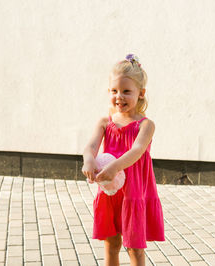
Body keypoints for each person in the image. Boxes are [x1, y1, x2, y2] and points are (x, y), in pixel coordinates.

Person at [82, 54, 165, 266]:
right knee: (111, 245)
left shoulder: (146, 125)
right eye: (114, 91)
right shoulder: (104, 122)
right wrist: (88, 160)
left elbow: (137, 150)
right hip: (111, 192)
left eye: (126, 91)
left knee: (135, 250)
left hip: (134, 193)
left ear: (140, 94)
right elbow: (91, 146)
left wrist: (114, 166)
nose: (119, 96)